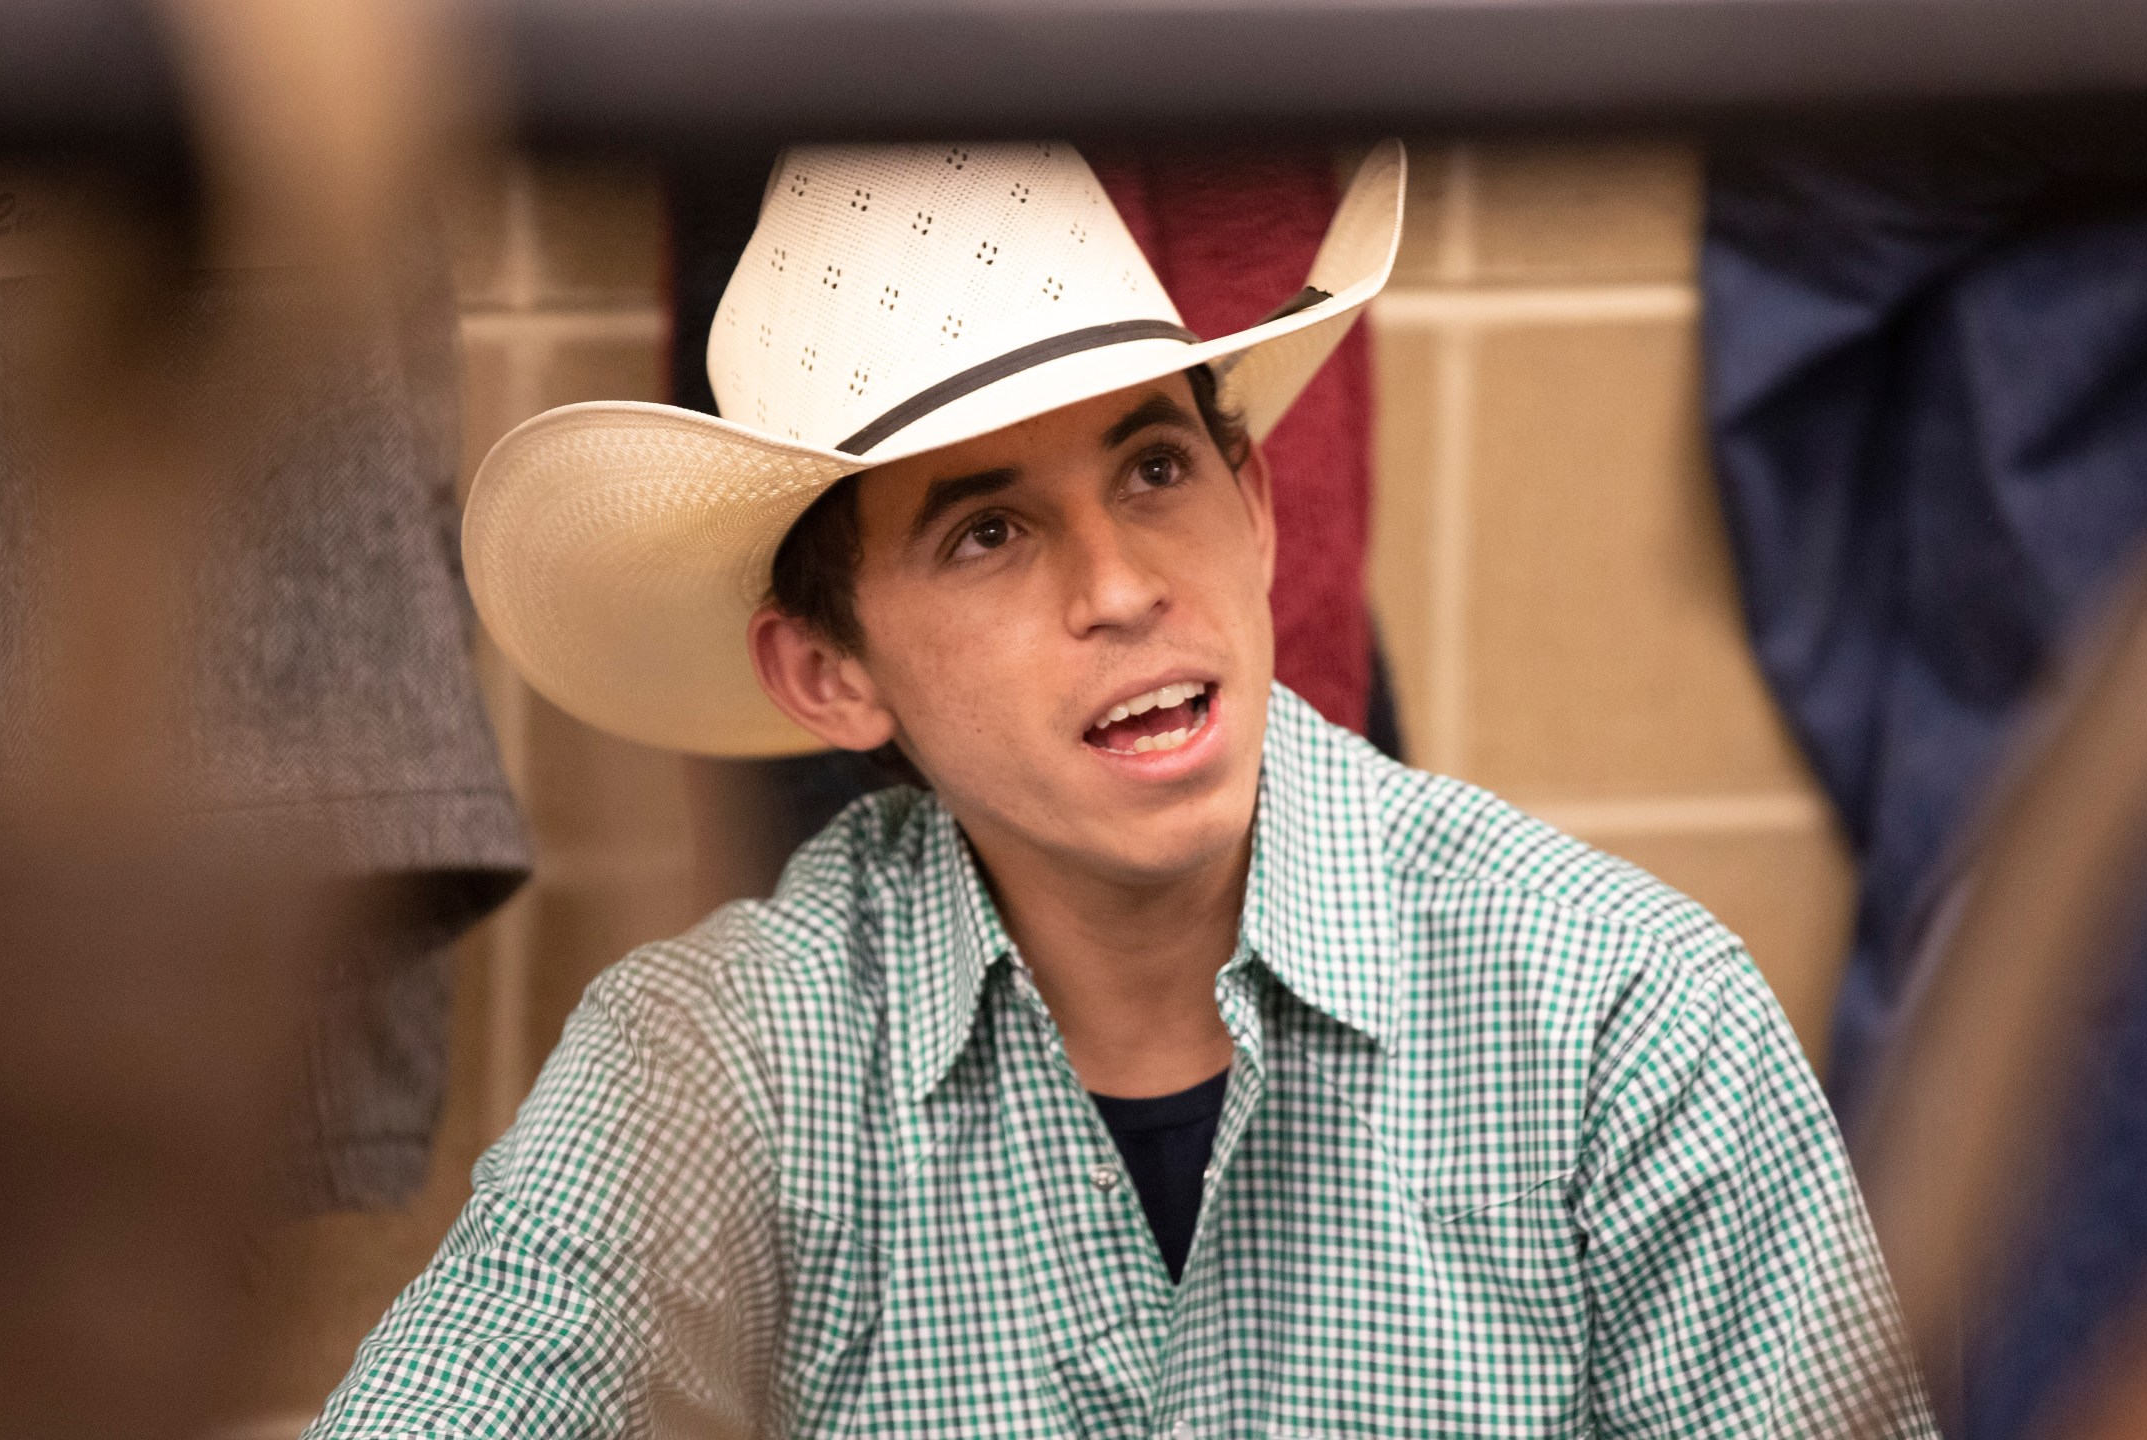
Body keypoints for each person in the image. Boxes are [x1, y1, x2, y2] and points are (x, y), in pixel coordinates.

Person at [307, 140, 1938, 1439]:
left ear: (1254, 506)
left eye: (1155, 470)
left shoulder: (1624, 1019)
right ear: (830, 677)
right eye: (989, 531)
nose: (1121, 586)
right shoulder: (724, 1073)